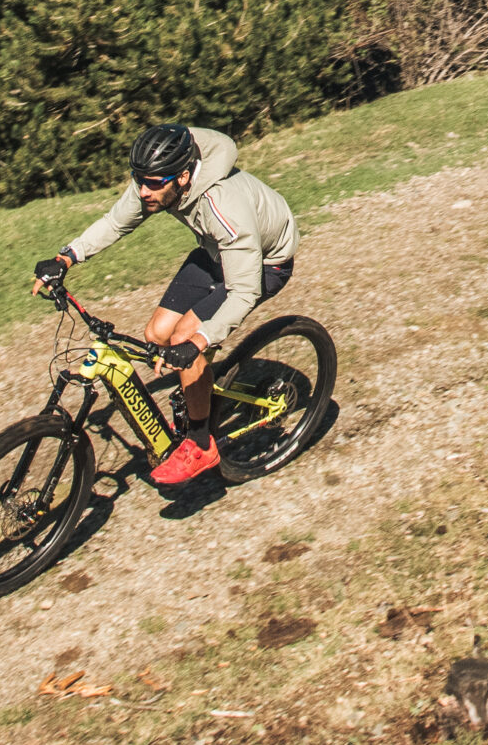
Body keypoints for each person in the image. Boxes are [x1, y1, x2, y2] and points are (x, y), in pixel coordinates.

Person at [30, 123, 298, 487]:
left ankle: (202, 444)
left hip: (262, 263)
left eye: (153, 184)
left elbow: (244, 291)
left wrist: (199, 343)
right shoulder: (158, 180)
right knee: (156, 334)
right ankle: (197, 391)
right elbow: (114, 222)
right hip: (214, 250)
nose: (143, 191)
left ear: (184, 177)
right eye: (138, 179)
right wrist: (67, 257)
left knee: (185, 339)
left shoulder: (223, 204)